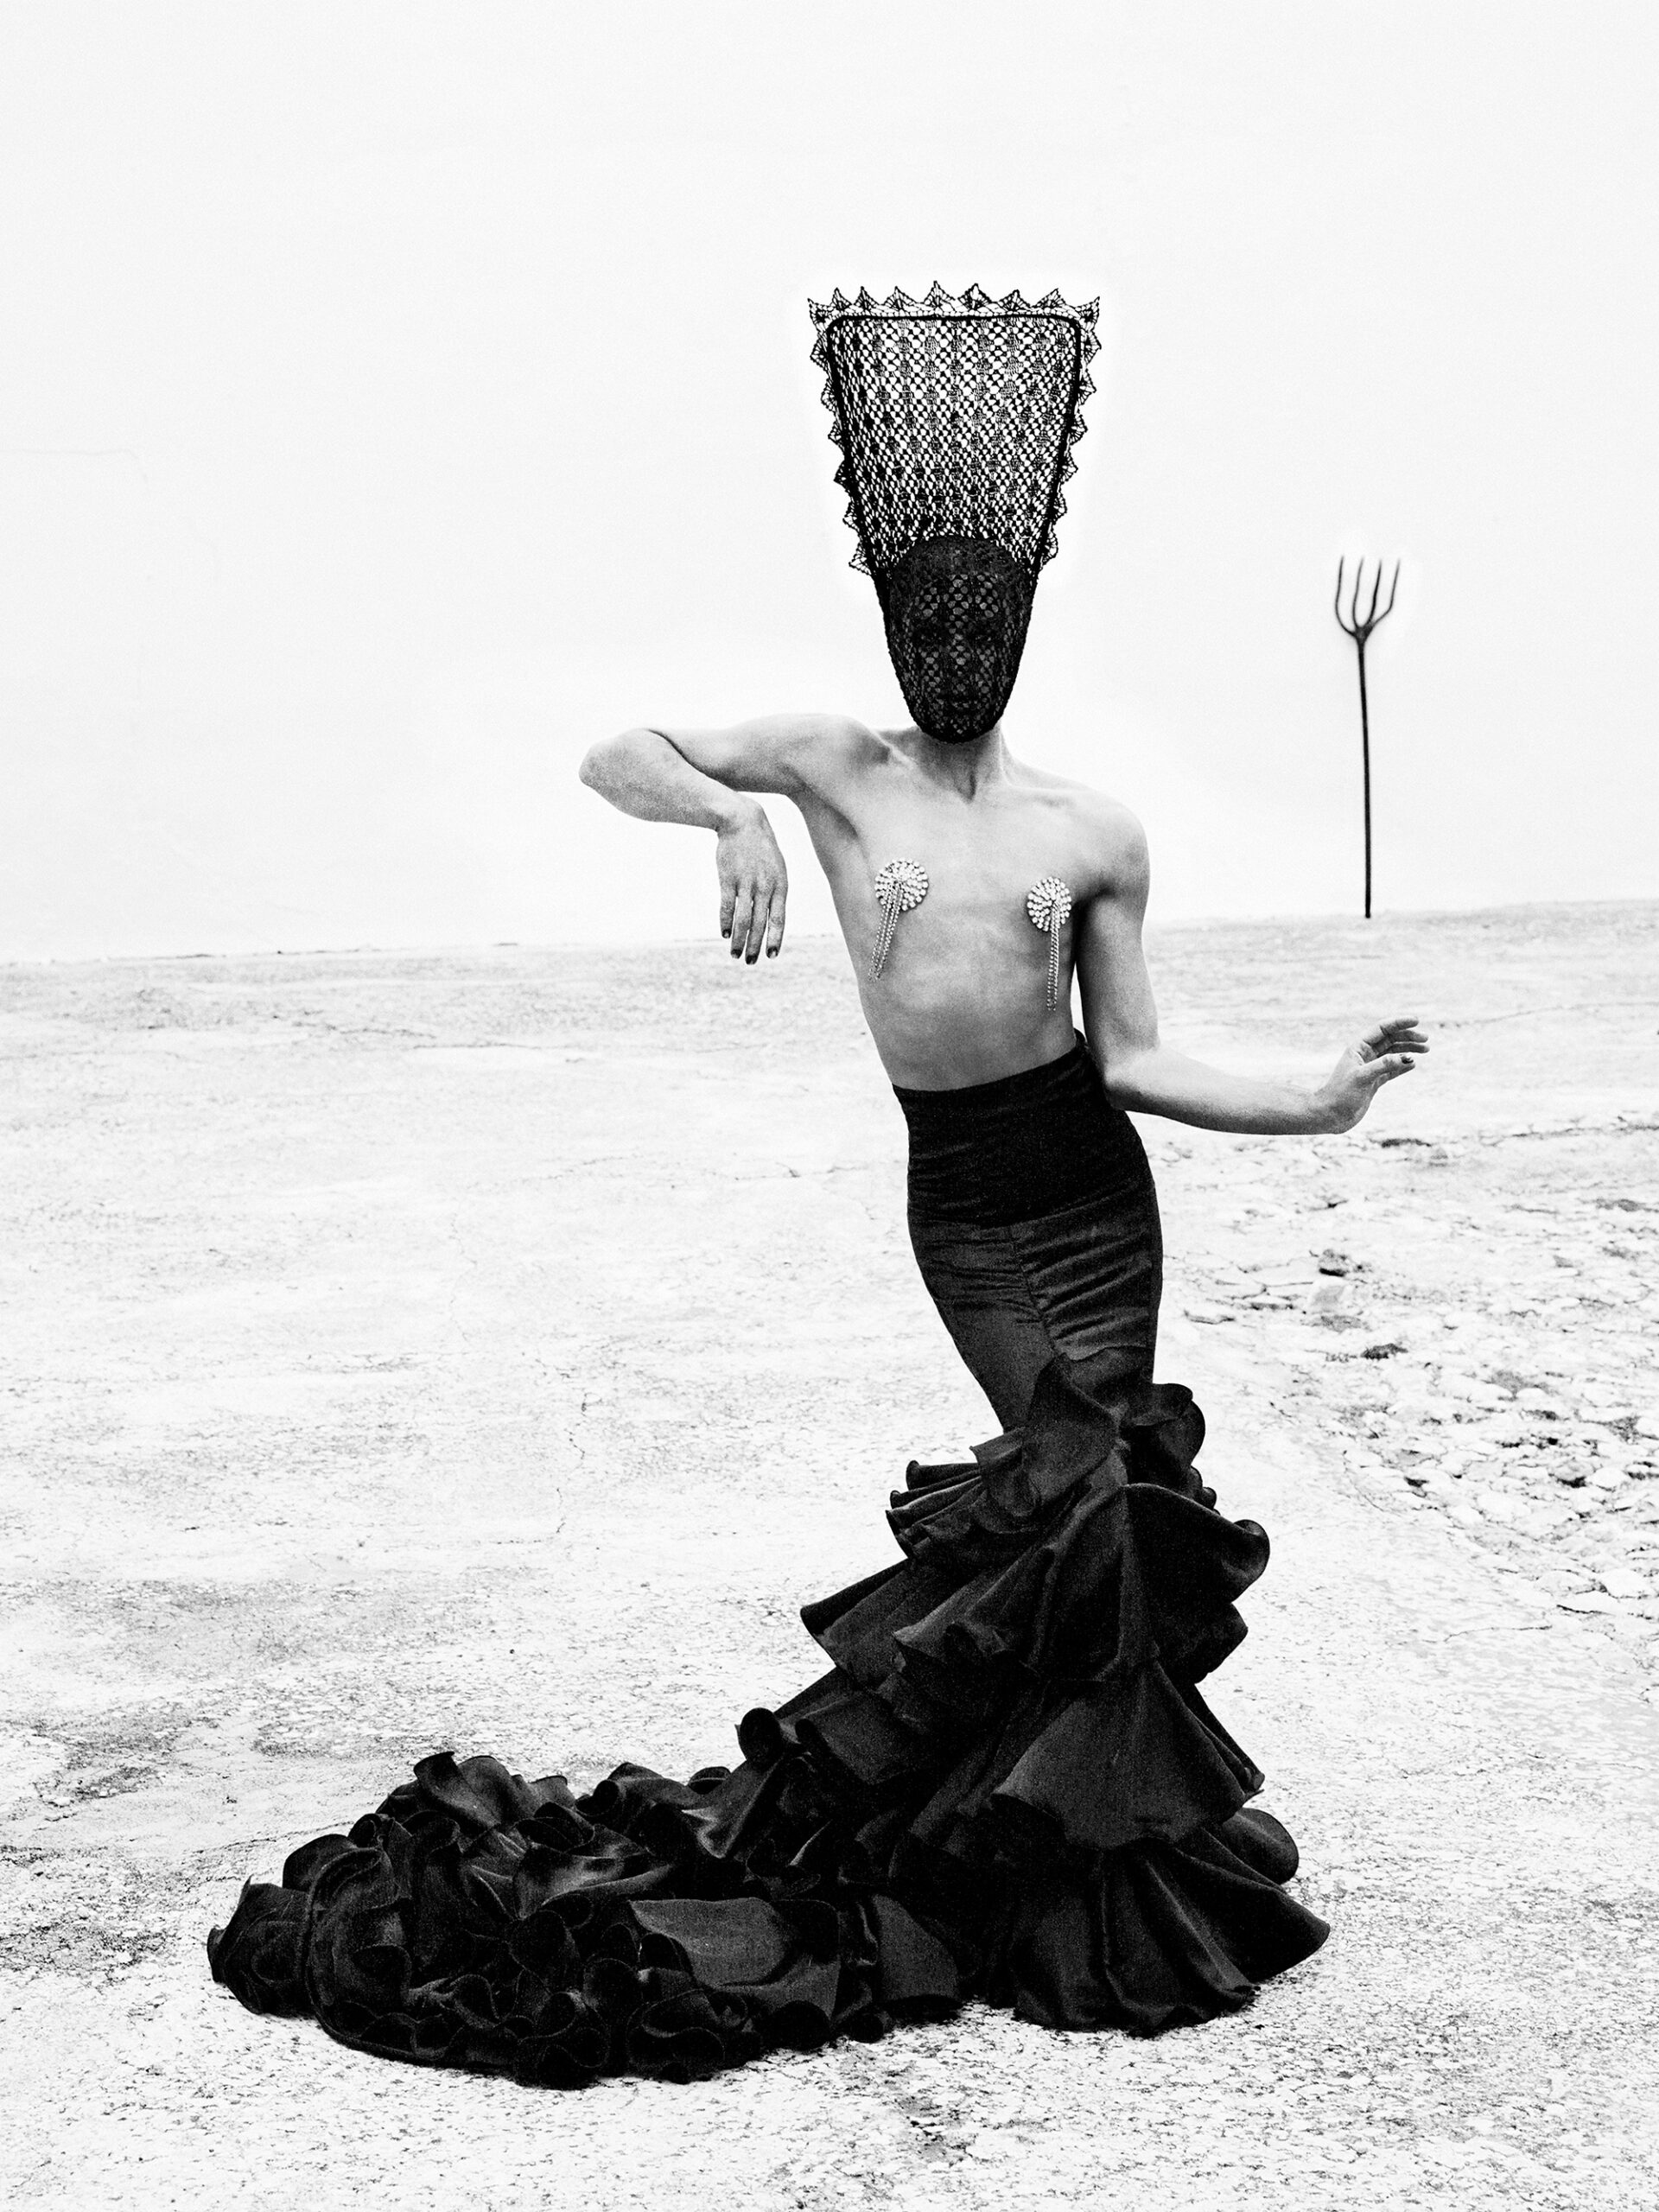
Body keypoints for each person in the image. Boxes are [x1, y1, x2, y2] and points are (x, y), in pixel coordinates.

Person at [207, 287, 1426, 2086]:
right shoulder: (838, 767)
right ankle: (1015, 1845)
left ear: (1017, 629)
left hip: (1095, 1193)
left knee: (1108, 1501)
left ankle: (1080, 1865)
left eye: (983, 618)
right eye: (930, 617)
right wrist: (731, 817)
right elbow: (619, 747)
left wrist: (1318, 1098)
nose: (955, 643)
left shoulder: (1091, 826)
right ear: (899, 625)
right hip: (972, 1206)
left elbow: (1137, 1057)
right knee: (1070, 1492)